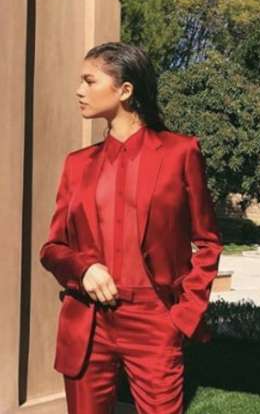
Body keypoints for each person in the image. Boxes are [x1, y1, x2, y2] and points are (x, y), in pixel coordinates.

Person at [39, 41, 224, 413]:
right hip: (88, 323)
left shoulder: (179, 153)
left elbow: (208, 242)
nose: (79, 90)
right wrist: (83, 269)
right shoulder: (77, 164)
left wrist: (184, 315)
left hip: (154, 321)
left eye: (89, 81)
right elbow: (53, 248)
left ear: (125, 90)